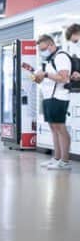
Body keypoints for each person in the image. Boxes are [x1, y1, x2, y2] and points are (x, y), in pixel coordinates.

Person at [34, 34, 72, 170]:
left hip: (59, 97)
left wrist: (45, 74)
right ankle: (57, 158)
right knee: (53, 128)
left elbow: (64, 78)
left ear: (50, 44)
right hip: (49, 97)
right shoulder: (50, 60)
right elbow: (48, 77)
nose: (41, 51)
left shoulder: (61, 56)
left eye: (43, 48)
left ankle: (65, 161)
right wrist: (38, 77)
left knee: (60, 128)